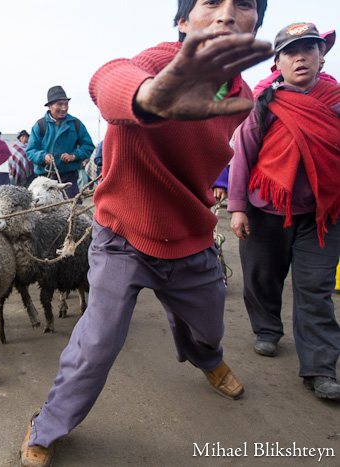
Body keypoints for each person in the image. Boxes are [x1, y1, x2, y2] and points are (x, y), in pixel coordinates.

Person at [19, 1, 273, 465]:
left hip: (189, 237)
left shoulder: (243, 98)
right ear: (182, 21)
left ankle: (208, 360)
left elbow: (223, 155)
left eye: (245, 4)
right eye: (210, 2)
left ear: (255, 23)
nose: (227, 13)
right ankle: (50, 423)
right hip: (123, 236)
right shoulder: (159, 65)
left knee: (209, 324)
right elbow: (108, 77)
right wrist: (147, 97)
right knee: (98, 341)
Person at [228, 23, 340, 401]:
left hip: (323, 214)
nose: (300, 57)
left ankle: (320, 368)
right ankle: (267, 329)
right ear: (278, 62)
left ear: (321, 55)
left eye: (308, 49)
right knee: (262, 276)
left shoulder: (337, 101)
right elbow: (242, 155)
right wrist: (238, 207)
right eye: (290, 52)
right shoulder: (264, 103)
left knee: (316, 289)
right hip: (266, 207)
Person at [26, 86, 95, 199]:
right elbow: (30, 151)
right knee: (43, 211)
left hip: (69, 178)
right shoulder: (40, 125)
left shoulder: (76, 124)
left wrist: (73, 156)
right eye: (59, 104)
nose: (64, 108)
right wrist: (43, 156)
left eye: (66, 104)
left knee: (71, 208)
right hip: (44, 179)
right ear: (49, 106)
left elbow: (88, 146)